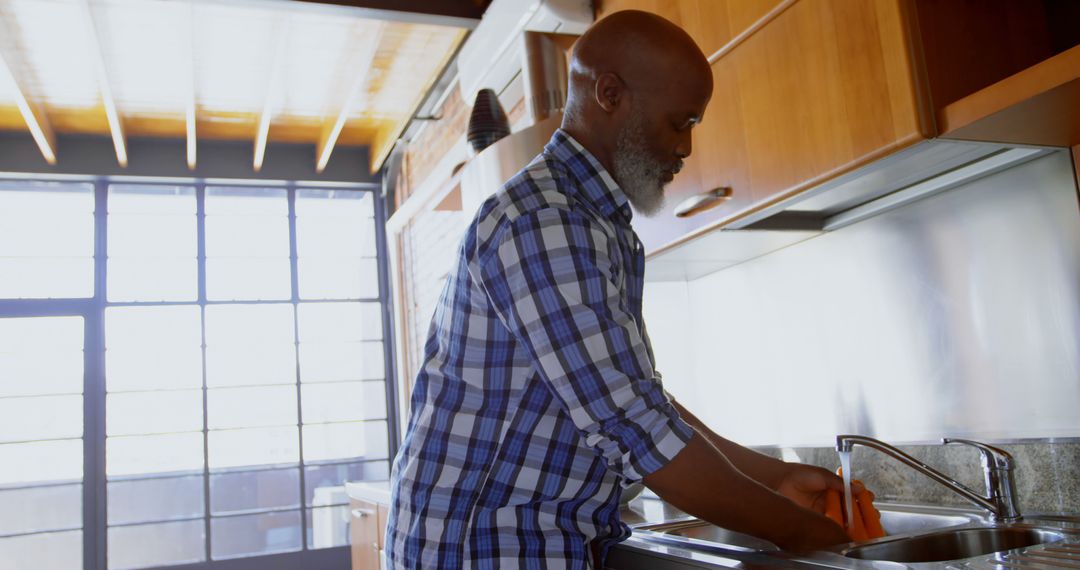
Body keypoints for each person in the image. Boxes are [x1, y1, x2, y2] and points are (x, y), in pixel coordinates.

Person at [387, 10, 853, 568]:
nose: (685, 148)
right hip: (482, 549)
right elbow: (634, 424)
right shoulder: (545, 219)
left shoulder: (594, 223)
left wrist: (774, 477)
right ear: (610, 94)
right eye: (679, 123)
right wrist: (807, 536)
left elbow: (638, 400)